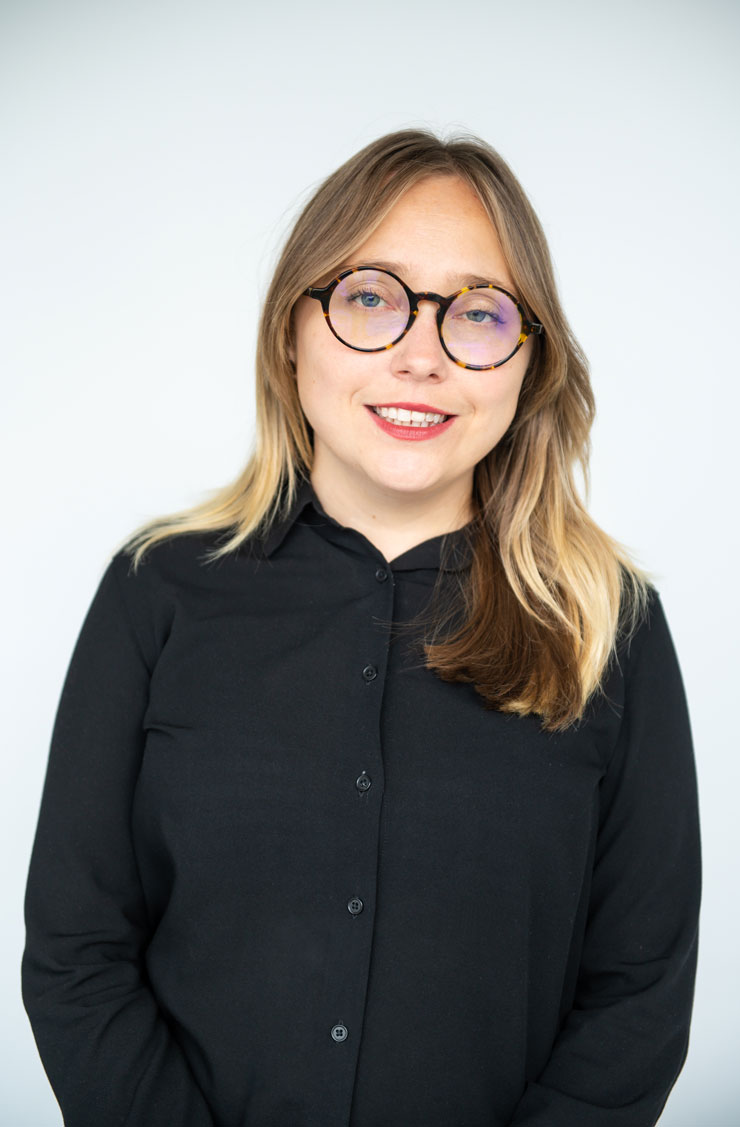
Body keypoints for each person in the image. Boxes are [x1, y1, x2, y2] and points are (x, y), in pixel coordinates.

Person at [22, 129, 701, 1127]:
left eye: (478, 312)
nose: (421, 357)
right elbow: (77, 952)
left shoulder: (611, 624)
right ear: (291, 332)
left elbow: (637, 997)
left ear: (528, 361)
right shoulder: (154, 591)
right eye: (372, 297)